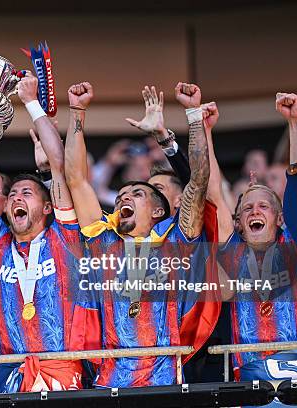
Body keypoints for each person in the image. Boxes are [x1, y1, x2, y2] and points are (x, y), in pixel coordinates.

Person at [0, 74, 100, 393]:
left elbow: (60, 166)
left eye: (27, 193)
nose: (17, 197)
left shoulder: (65, 239)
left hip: (65, 378)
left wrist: (32, 102)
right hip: (13, 381)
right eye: (13, 194)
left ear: (48, 207)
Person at [65, 82, 214, 387]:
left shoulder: (175, 242)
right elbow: (77, 179)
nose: (124, 199)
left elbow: (198, 180)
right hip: (111, 380)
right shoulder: (103, 241)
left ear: (159, 212)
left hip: (164, 377)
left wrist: (193, 114)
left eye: (137, 194)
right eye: (120, 196)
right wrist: (77, 111)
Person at [216, 93, 297, 408]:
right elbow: (213, 192)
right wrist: (200, 127)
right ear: (239, 222)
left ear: (279, 217)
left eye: (264, 206)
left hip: (296, 386)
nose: (255, 211)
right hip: (248, 388)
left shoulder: (296, 245)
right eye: (247, 208)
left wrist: (295, 121)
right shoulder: (228, 252)